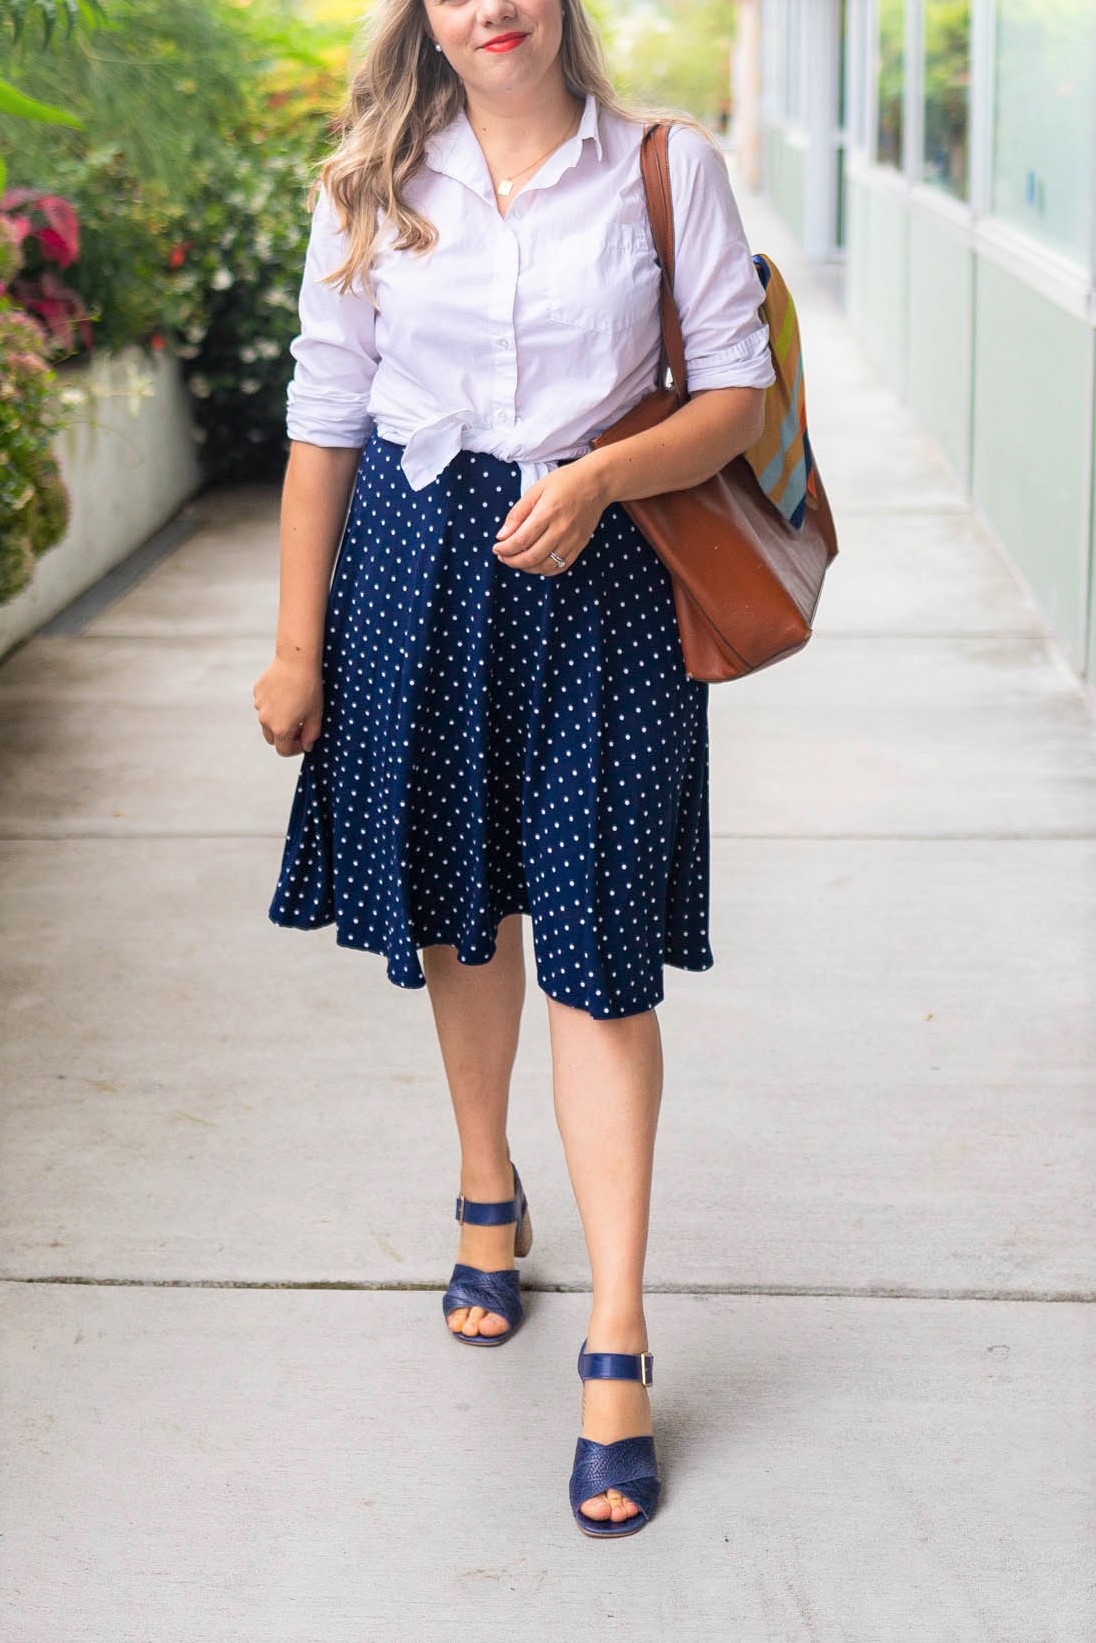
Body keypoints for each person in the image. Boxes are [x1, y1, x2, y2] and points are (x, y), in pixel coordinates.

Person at [252, 0, 775, 1538]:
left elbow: (733, 395)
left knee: (601, 961)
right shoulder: (366, 187)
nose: (493, 7)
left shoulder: (666, 169)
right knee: (458, 912)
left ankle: (616, 1333)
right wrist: (296, 646)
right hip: (412, 570)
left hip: (606, 584)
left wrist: (604, 475)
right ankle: (488, 1183)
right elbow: (322, 421)